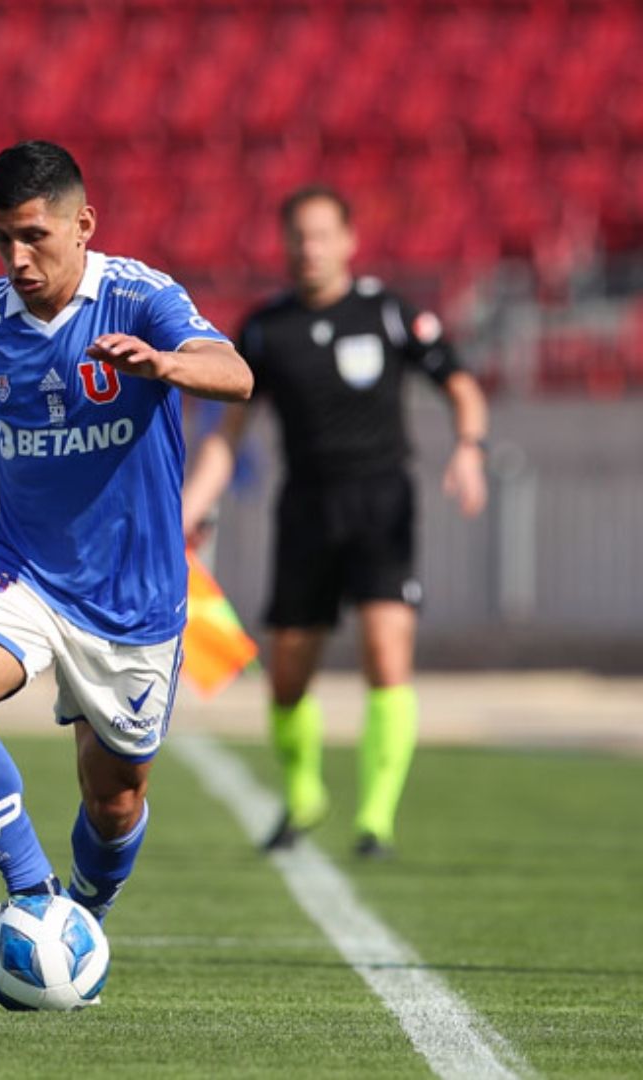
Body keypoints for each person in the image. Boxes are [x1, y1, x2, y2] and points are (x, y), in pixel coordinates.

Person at [0, 141, 252, 983]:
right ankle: (32, 899)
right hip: (21, 567)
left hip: (133, 598)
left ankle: (80, 923)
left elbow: (235, 373)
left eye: (34, 236)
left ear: (83, 225)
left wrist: (168, 365)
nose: (18, 259)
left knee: (114, 796)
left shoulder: (141, 295)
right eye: (1, 240)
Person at [180, 184, 489, 859]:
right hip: (306, 510)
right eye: (298, 236)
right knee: (289, 669)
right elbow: (226, 434)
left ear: (349, 240)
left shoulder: (387, 313)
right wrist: (189, 510)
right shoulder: (264, 329)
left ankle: (376, 820)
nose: (309, 248)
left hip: (382, 504)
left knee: (386, 652)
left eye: (322, 235)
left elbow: (461, 386)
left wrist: (469, 450)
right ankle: (302, 798)